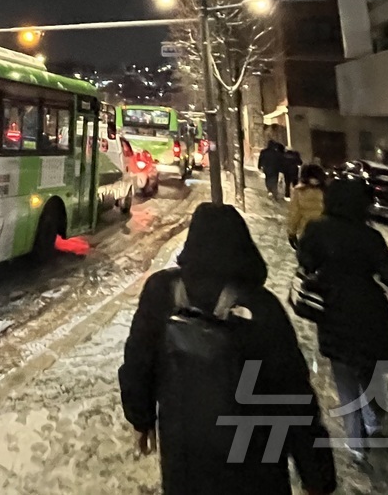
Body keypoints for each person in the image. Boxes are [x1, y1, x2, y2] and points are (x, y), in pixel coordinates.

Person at [120, 204, 336, 495]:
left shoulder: (161, 291)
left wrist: (141, 417)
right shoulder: (262, 307)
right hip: (255, 463)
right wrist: (317, 475)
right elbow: (293, 395)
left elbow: (137, 360)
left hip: (185, 452)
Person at [297, 177, 388, 459]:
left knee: (345, 375)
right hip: (370, 312)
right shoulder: (371, 237)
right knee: (371, 370)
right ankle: (374, 418)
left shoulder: (315, 229)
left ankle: (356, 442)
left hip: (333, 310)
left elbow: (305, 263)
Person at [287, 164, 327, 248]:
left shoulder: (300, 191)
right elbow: (295, 213)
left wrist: (292, 232)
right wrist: (292, 232)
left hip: (318, 231)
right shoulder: (299, 191)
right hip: (310, 231)